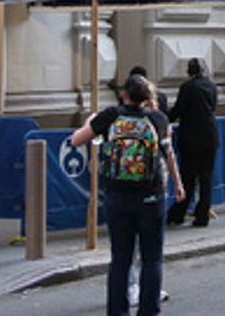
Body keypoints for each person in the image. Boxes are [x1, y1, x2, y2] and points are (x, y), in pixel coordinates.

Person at [71, 74, 185, 316]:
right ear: (147, 97)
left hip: (118, 196)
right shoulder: (158, 119)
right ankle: (148, 311)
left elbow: (76, 140)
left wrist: (92, 121)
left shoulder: (111, 116)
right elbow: (168, 153)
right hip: (151, 196)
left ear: (124, 95)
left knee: (120, 260)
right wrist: (178, 184)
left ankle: (117, 312)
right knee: (152, 259)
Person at [166, 58, 218, 228]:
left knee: (188, 177)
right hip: (210, 135)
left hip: (192, 137)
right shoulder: (211, 86)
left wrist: (162, 117)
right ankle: (202, 214)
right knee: (206, 177)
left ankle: (179, 213)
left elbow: (178, 110)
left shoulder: (188, 87)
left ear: (189, 71)